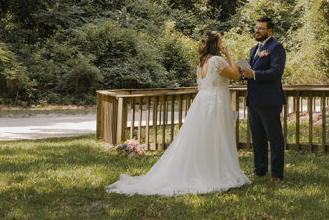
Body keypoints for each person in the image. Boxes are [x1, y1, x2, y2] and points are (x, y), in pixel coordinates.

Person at [106, 31, 250, 196]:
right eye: (220, 42)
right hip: (215, 103)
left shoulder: (201, 63)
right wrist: (228, 55)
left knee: (204, 137)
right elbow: (235, 74)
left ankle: (206, 168)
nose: (222, 45)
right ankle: (215, 172)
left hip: (203, 102)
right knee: (216, 136)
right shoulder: (217, 60)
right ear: (216, 44)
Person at [239, 17, 286, 182]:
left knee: (274, 138)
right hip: (253, 100)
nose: (257, 30)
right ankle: (259, 170)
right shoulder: (254, 49)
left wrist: (255, 75)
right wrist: (244, 74)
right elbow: (251, 71)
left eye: (261, 28)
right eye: (256, 27)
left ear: (270, 31)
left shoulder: (276, 47)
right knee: (257, 138)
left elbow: (276, 72)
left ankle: (276, 174)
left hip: (269, 100)